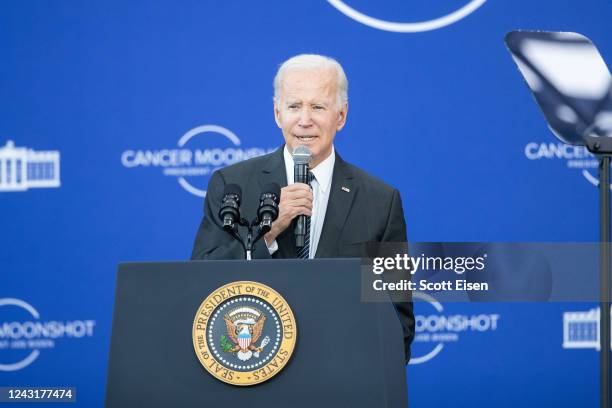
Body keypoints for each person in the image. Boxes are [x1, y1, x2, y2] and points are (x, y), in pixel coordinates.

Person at [191, 54, 414, 362]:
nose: (304, 120)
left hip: (341, 380)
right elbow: (200, 284)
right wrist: (269, 232)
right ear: (277, 113)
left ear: (341, 115)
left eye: (318, 107)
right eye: (294, 106)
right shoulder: (232, 185)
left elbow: (396, 321)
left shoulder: (379, 201)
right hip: (253, 375)